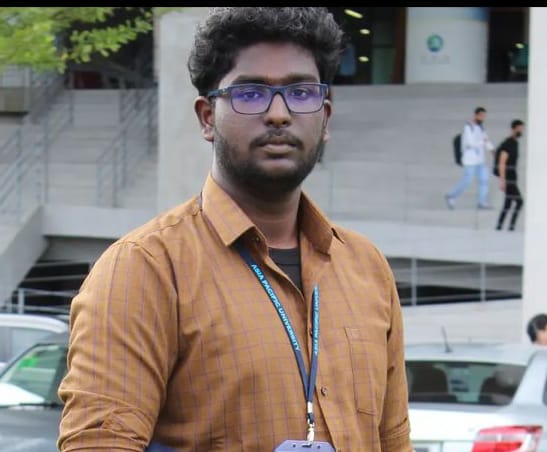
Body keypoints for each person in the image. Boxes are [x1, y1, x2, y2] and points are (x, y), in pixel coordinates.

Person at [57, 7, 412, 452]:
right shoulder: (145, 268)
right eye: (251, 93)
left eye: (301, 92)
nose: (279, 114)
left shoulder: (365, 267)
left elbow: (394, 440)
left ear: (325, 117)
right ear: (208, 117)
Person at [445, 107, 495, 210]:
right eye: (481, 116)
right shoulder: (468, 127)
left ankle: (482, 202)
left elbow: (486, 140)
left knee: (484, 180)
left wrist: (493, 150)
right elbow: (471, 143)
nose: (483, 118)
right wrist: (482, 142)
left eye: (484, 116)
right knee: (467, 181)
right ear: (475, 115)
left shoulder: (481, 127)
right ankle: (451, 195)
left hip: (480, 160)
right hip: (470, 160)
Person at [494, 119, 525, 231]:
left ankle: (499, 226)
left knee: (507, 204)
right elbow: (502, 162)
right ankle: (511, 226)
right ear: (513, 129)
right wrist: (502, 180)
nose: (521, 131)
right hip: (508, 178)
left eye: (522, 128)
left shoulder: (515, 143)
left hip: (512, 177)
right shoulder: (508, 144)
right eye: (519, 128)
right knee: (520, 202)